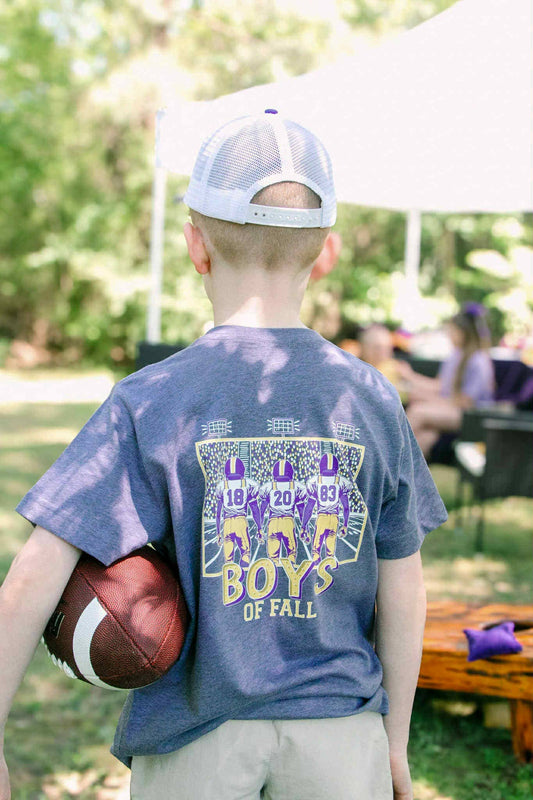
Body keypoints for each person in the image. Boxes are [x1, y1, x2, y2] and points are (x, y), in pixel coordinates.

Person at [0, 111, 447, 800]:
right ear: (324, 252)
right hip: (338, 730)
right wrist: (392, 740)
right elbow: (403, 587)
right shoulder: (371, 398)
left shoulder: (149, 399)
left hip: (194, 738)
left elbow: (29, 582)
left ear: (194, 247)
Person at [398, 305, 495, 457]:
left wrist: (432, 400)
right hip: (454, 407)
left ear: (464, 333)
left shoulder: (478, 360)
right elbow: (440, 386)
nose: (449, 335)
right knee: (425, 435)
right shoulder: (456, 355)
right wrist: (411, 378)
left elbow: (465, 403)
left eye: (452, 331)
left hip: (471, 416)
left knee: (418, 412)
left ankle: (390, 452)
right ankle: (406, 472)